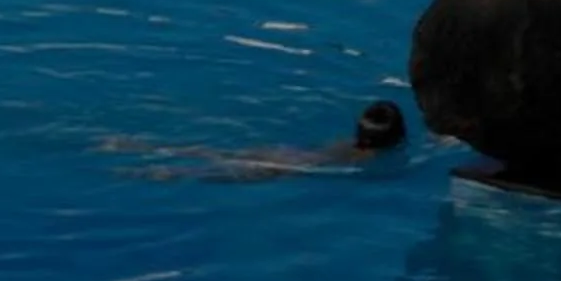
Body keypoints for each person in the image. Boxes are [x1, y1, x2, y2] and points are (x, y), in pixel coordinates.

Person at [103, 99, 411, 182]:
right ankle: (162, 172)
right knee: (209, 174)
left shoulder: (346, 142)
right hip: (286, 167)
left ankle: (137, 146)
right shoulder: (366, 158)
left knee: (216, 152)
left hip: (285, 152)